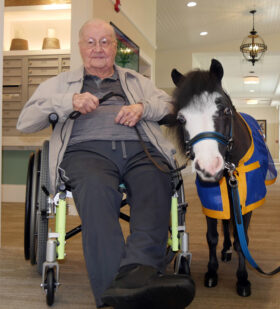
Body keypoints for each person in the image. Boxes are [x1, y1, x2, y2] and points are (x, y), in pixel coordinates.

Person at [17, 19, 194, 308]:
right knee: (97, 193)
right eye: (91, 42)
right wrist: (69, 102)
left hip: (141, 150)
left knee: (156, 184)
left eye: (104, 42)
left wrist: (142, 108)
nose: (98, 48)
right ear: (80, 47)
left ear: (115, 47)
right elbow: (25, 122)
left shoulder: (137, 81)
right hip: (86, 153)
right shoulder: (60, 84)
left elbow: (172, 107)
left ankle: (135, 276)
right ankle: (115, 296)